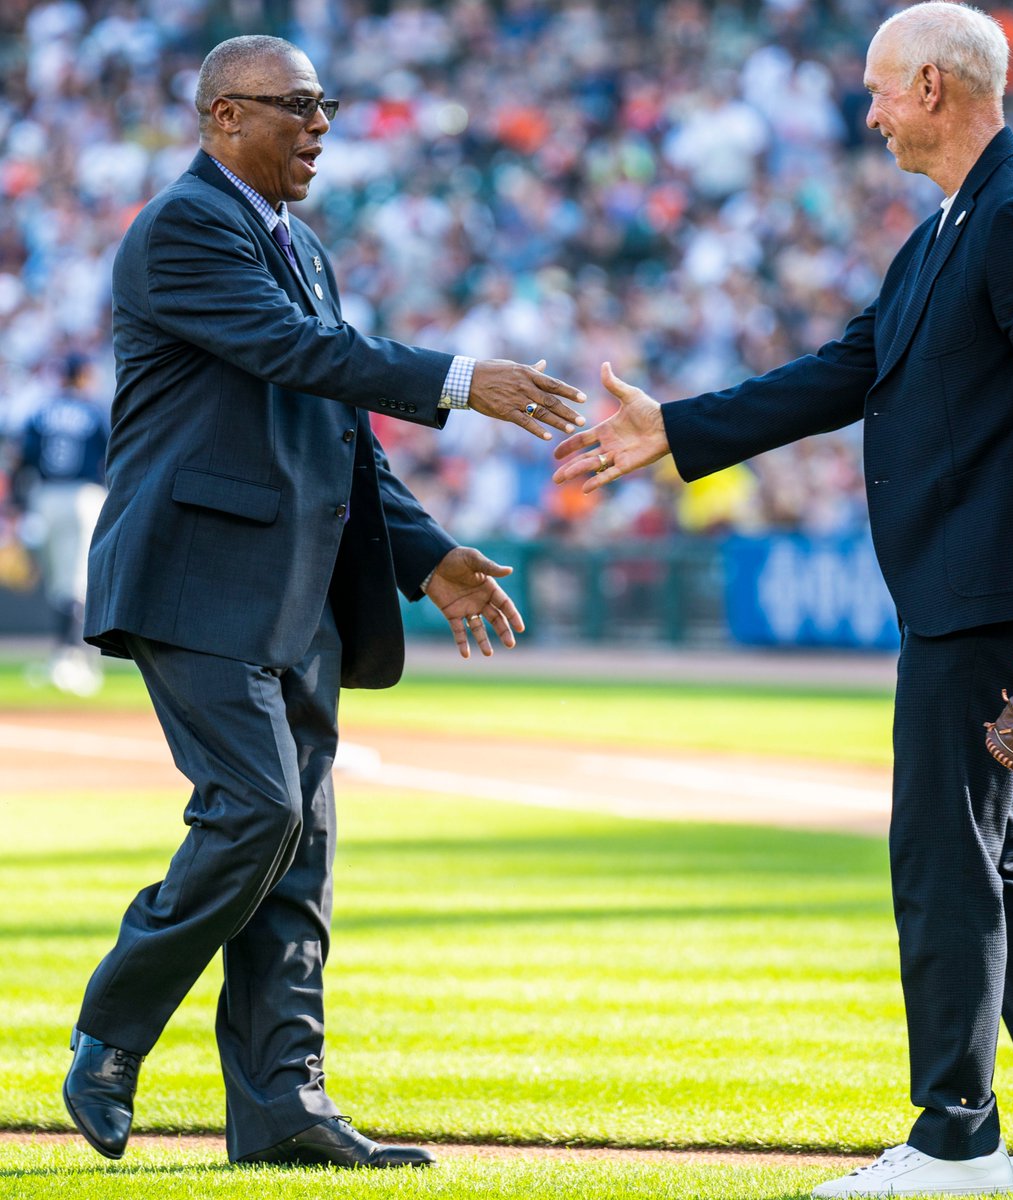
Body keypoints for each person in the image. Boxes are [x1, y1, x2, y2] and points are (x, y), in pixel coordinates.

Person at [554, 4, 1013, 1195]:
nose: (868, 110)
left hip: (995, 591)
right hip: (960, 584)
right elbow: (846, 369)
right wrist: (678, 430)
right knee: (995, 848)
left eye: (880, 89)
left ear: (934, 86)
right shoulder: (950, 225)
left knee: (941, 853)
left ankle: (956, 1137)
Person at [62, 34, 586, 1171]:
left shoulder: (302, 247)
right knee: (259, 815)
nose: (319, 126)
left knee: (299, 859)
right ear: (220, 118)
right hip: (197, 576)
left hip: (300, 590)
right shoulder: (184, 228)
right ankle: (110, 1029)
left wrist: (427, 553)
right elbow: (297, 353)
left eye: (326, 104)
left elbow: (339, 432)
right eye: (295, 105)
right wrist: (457, 378)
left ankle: (282, 1104)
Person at [9, 353, 109, 695]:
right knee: (74, 583)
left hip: (46, 497)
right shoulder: (94, 411)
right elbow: (113, 456)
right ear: (83, 376)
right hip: (84, 496)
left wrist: (17, 505)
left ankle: (66, 657)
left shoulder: (41, 411)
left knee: (59, 584)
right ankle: (71, 659)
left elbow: (22, 459)